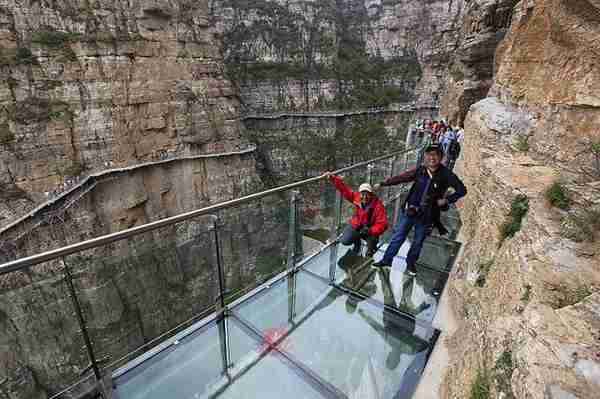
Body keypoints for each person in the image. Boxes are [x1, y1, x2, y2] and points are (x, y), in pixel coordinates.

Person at [372, 145, 467, 274]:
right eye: (429, 154)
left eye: (435, 155)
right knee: (398, 237)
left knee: (418, 242)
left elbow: (462, 190)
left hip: (427, 215)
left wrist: (447, 200)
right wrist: (384, 183)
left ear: (441, 157)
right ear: (426, 157)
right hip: (410, 210)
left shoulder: (446, 175)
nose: (432, 158)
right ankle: (387, 260)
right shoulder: (421, 170)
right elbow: (403, 177)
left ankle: (410, 264)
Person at [324, 172, 388, 257]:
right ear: (359, 194)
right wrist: (333, 178)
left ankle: (370, 249)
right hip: (357, 225)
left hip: (370, 228)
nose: (364, 197)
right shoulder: (357, 198)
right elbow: (344, 189)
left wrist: (371, 230)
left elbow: (383, 224)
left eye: (367, 194)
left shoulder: (378, 206)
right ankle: (357, 241)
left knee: (371, 247)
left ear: (371, 195)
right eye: (362, 194)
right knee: (345, 240)